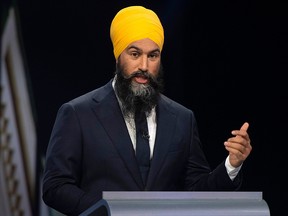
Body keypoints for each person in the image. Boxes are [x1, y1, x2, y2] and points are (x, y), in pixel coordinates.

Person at [42, 5, 252, 216]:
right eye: (134, 54)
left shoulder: (181, 118)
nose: (144, 65)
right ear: (118, 56)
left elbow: (196, 191)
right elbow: (55, 186)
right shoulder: (79, 114)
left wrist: (231, 166)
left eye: (153, 56)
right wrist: (105, 212)